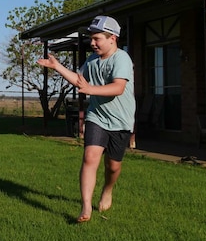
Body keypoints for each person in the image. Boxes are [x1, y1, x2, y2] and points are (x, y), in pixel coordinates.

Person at [37, 15, 135, 223]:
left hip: (121, 120)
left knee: (113, 166)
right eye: (91, 38)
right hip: (97, 116)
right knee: (90, 157)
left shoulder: (121, 59)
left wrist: (91, 89)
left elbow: (118, 87)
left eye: (97, 38)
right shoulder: (91, 61)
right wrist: (58, 68)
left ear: (113, 38)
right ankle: (86, 206)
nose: (92, 43)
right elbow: (79, 80)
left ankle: (107, 189)